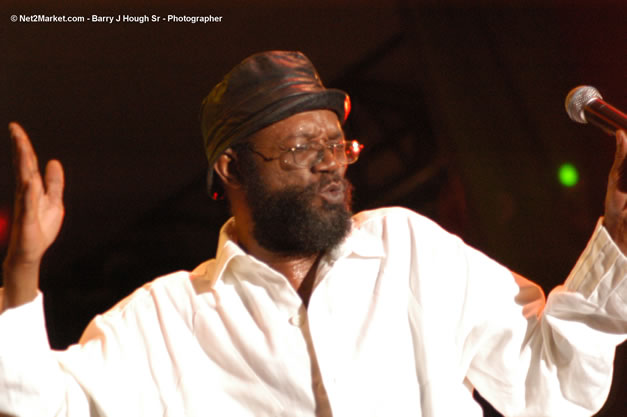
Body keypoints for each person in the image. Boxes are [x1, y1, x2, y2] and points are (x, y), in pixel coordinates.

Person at [1, 50, 626, 416]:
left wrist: (619, 240)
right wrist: (22, 271)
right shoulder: (168, 319)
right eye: (303, 147)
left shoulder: (408, 248)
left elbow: (552, 383)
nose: (331, 164)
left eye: (338, 145)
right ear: (232, 168)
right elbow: (41, 403)